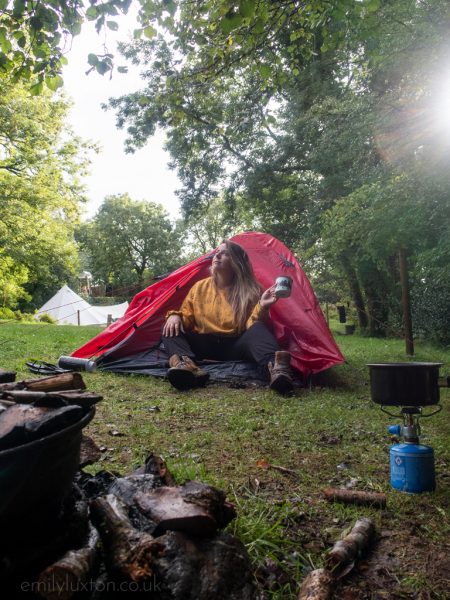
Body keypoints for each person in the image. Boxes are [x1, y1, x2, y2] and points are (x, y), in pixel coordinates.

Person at [161, 240, 294, 394]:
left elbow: (252, 327)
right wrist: (175, 317)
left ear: (236, 262)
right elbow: (187, 320)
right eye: (217, 251)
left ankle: (277, 371)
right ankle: (186, 367)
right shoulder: (200, 288)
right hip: (206, 344)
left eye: (225, 253)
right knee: (168, 327)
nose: (217, 255)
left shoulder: (251, 290)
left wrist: (263, 306)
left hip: (236, 345)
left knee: (258, 328)